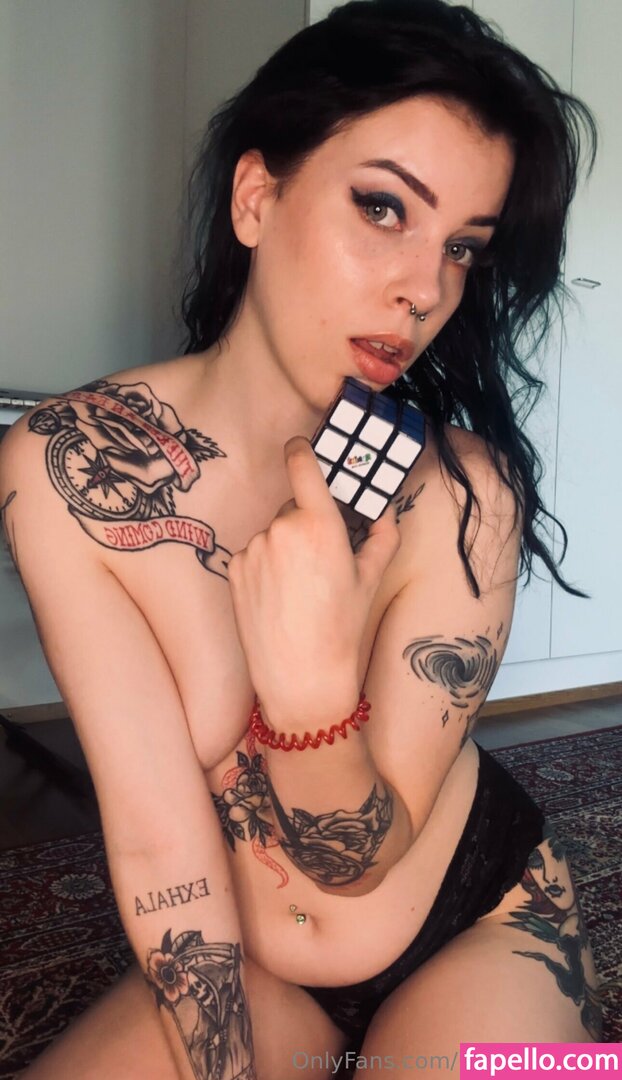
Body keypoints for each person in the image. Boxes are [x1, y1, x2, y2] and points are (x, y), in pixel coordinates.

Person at [0, 1, 602, 1076]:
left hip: (481, 921)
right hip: (257, 967)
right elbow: (156, 842)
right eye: (383, 207)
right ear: (256, 197)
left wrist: (314, 692)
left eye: (462, 248)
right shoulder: (67, 466)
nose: (424, 289)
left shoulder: (463, 490)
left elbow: (360, 861)